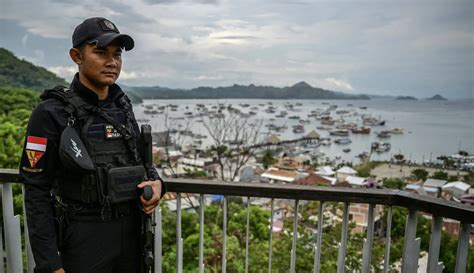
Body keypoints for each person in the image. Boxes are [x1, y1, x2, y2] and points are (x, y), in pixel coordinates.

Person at [19, 17, 166, 273]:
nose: (112, 62)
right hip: (82, 237)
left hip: (132, 237)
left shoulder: (122, 106)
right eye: (100, 52)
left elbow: (142, 164)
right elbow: (35, 191)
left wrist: (157, 184)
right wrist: (50, 264)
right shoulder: (51, 112)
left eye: (117, 55)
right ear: (77, 55)